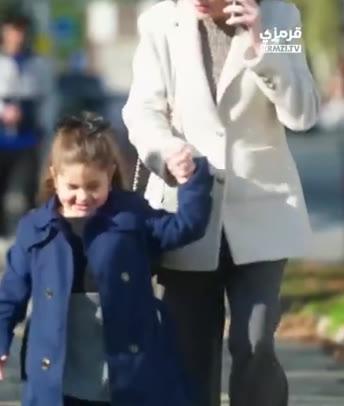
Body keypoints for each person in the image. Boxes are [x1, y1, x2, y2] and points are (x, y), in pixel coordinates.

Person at [122, 1, 321, 405]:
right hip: (185, 211)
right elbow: (142, 112)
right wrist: (167, 151)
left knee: (256, 341)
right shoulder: (159, 22)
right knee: (190, 352)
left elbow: (303, 114)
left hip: (263, 211)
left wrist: (262, 46)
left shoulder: (281, 18)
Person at [0, 112, 214, 406]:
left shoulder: (130, 215)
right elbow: (11, 293)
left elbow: (184, 227)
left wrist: (191, 180)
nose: (82, 197)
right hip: (59, 355)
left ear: (110, 175)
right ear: (55, 176)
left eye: (93, 186)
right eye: (73, 187)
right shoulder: (35, 228)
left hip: (123, 355)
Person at [0, 13, 53, 241]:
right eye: (13, 31)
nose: (17, 37)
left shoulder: (37, 62)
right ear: (4, 32)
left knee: (29, 186)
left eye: (21, 31)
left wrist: (44, 123)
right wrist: (0, 110)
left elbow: (47, 96)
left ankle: (30, 232)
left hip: (28, 133)